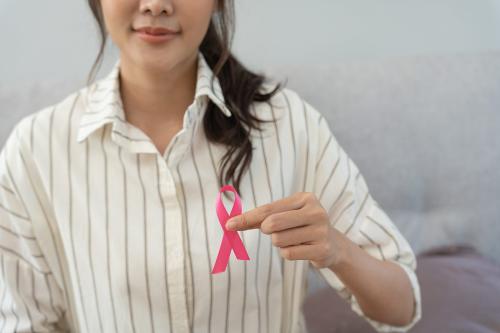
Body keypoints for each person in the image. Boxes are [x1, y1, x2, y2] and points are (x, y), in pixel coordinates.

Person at [0, 0, 421, 332]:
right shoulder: (35, 151)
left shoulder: (289, 125)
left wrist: (337, 248)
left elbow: (402, 307)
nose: (156, 4)